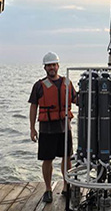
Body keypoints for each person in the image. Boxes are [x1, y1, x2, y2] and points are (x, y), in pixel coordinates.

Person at [28, 52, 77, 203]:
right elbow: (33, 107)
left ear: (58, 66)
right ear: (45, 68)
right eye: (49, 65)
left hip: (64, 128)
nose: (51, 68)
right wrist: (32, 128)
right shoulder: (39, 86)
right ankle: (48, 189)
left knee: (67, 158)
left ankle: (66, 186)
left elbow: (77, 99)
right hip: (46, 129)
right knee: (47, 159)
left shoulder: (67, 82)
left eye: (54, 65)